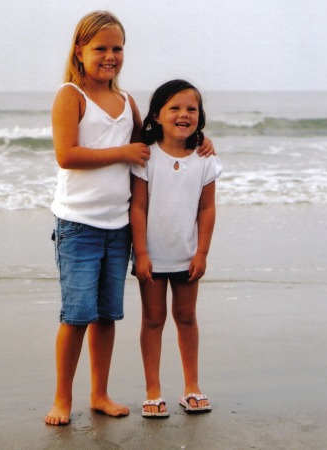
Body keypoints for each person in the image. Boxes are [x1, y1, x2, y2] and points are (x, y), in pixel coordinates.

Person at [45, 11, 216, 426]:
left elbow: (152, 143)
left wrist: (198, 139)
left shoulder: (127, 103)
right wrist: (122, 153)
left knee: (107, 314)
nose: (109, 55)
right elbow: (66, 155)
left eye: (117, 48)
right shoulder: (71, 95)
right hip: (79, 226)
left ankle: (99, 393)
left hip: (118, 227)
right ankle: (62, 398)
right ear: (79, 52)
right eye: (100, 48)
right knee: (77, 314)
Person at [130, 79, 222, 417]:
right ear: (156, 115)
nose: (184, 115)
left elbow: (207, 208)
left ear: (200, 116)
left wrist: (202, 253)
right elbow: (137, 207)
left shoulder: (205, 159)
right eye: (175, 108)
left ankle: (191, 387)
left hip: (188, 255)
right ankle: (152, 390)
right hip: (151, 257)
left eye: (191, 109)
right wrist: (140, 254)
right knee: (153, 319)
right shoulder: (145, 157)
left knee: (186, 317)